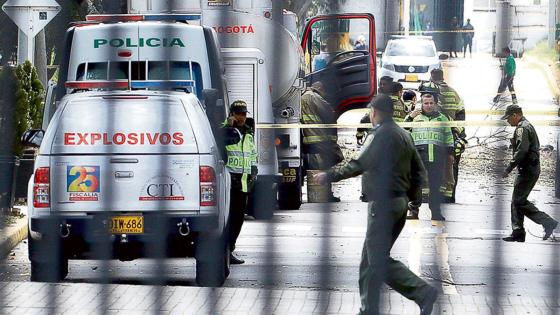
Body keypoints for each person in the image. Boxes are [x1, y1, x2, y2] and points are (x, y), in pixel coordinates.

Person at [314, 94, 437, 315]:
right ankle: (368, 308)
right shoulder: (403, 134)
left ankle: (422, 292)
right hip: (399, 202)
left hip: (382, 204)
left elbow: (359, 162)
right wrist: (413, 201)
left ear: (375, 111)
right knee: (368, 262)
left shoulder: (380, 134)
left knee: (377, 260)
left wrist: (329, 175)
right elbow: (419, 172)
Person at [501, 105, 558, 242]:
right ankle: (518, 231)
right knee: (517, 201)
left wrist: (509, 167)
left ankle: (546, 221)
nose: (508, 121)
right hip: (528, 169)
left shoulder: (522, 128)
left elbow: (522, 150)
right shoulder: (525, 126)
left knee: (518, 201)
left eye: (508, 118)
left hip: (527, 170)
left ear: (515, 115)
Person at [405, 93, 454, 221]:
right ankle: (413, 210)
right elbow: (402, 131)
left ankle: (436, 212)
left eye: (431, 103)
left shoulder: (443, 119)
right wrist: (410, 117)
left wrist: (450, 155)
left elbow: (449, 138)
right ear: (421, 104)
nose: (429, 105)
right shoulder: (415, 118)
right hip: (418, 157)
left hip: (437, 158)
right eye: (426, 103)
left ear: (436, 104)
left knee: (436, 186)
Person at [422, 69, 467, 203]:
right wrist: (459, 132)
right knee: (452, 165)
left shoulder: (431, 93)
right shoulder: (454, 93)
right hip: (453, 134)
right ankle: (449, 195)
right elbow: (461, 112)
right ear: (443, 77)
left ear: (431, 78)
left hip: (435, 134)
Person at [221, 100, 258, 264]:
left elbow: (252, 154)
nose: (241, 117)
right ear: (231, 113)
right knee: (227, 220)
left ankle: (230, 250)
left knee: (237, 220)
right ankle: (224, 252)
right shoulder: (224, 129)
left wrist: (253, 170)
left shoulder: (249, 132)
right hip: (228, 182)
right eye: (238, 113)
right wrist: (227, 127)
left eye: (244, 113)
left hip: (243, 183)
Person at [301, 81, 344, 202]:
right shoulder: (314, 96)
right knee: (327, 164)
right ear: (320, 88)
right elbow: (329, 113)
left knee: (317, 166)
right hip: (320, 138)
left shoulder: (303, 96)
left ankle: (319, 194)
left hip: (309, 139)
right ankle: (325, 195)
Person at [356, 76, 394, 145]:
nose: (382, 86)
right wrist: (359, 135)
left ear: (390, 86)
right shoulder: (377, 99)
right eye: (380, 84)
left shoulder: (393, 99)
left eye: (384, 84)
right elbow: (365, 119)